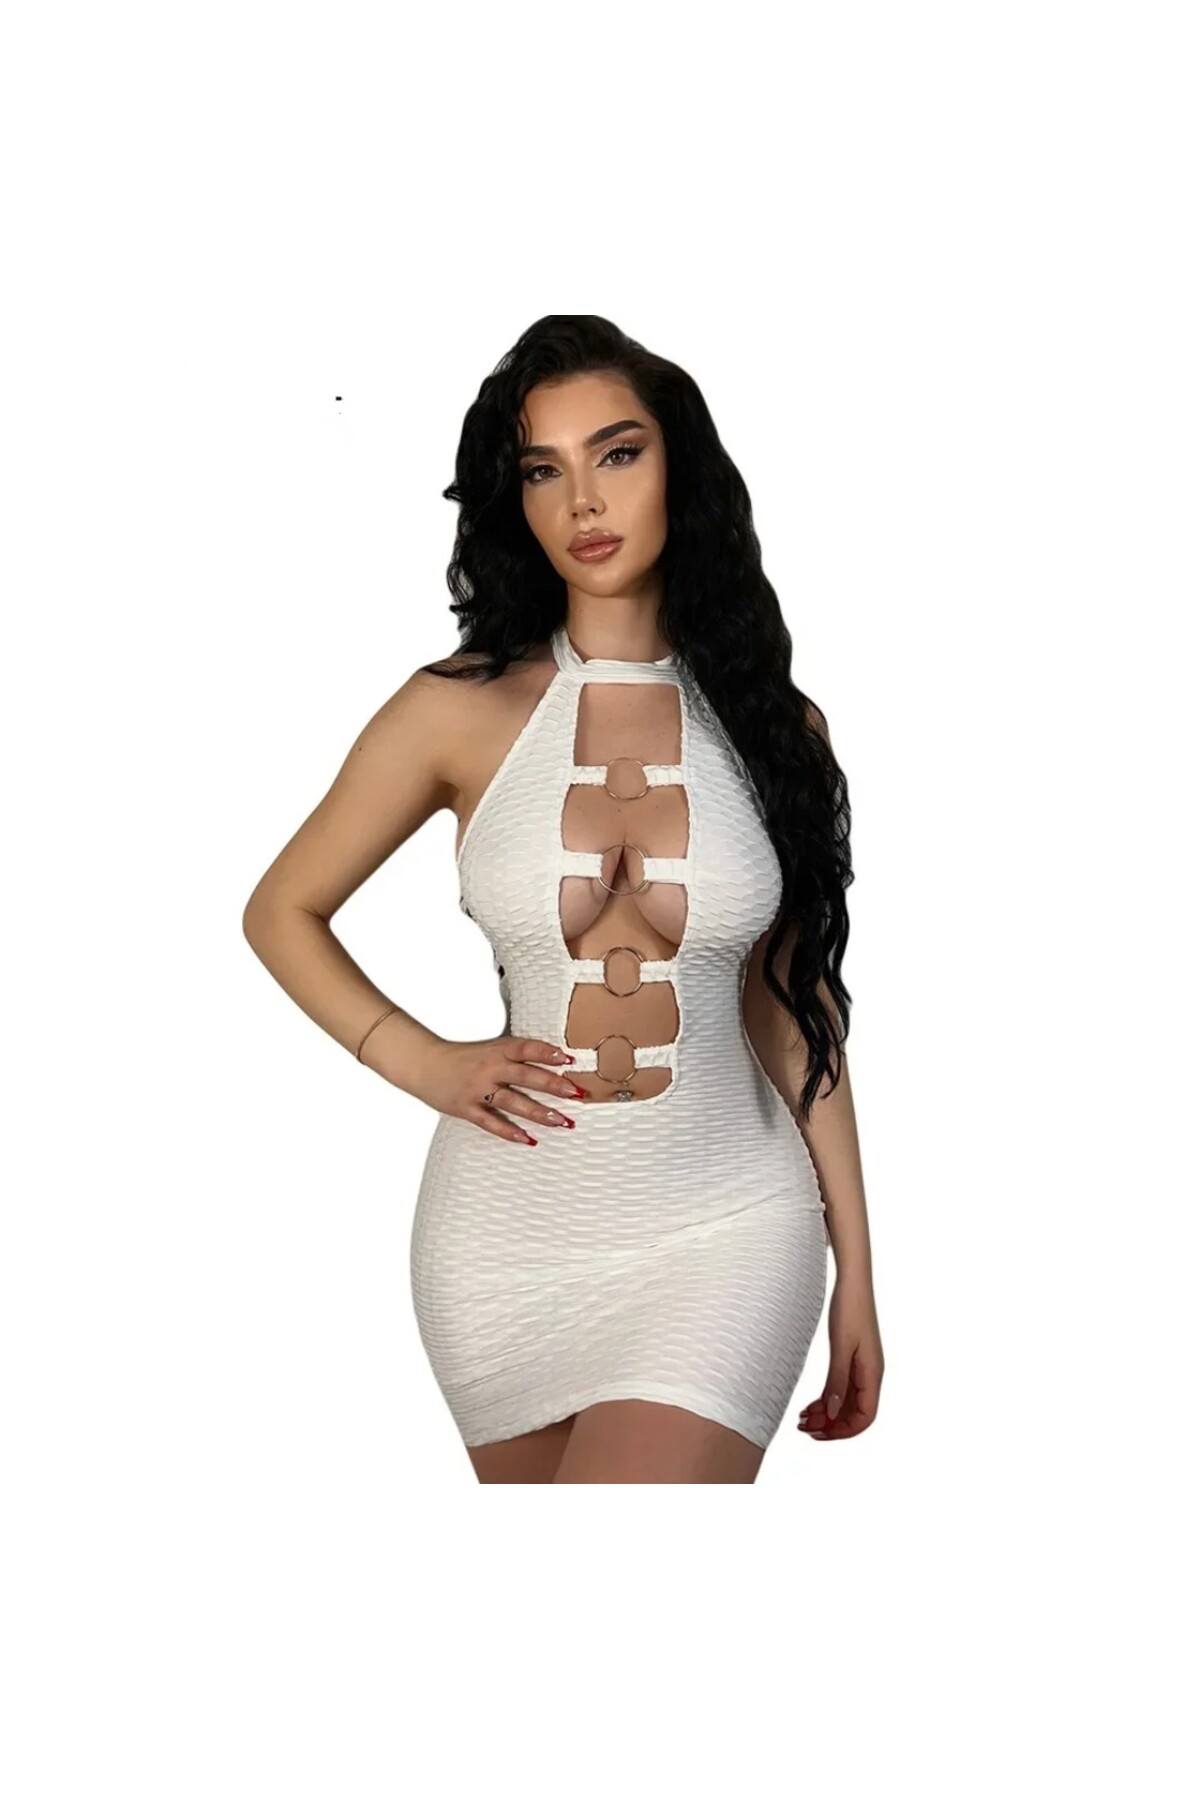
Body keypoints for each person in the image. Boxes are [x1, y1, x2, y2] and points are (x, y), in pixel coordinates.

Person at [243, 315, 884, 1484]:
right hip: (501, 1245)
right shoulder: (455, 710)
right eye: (543, 470)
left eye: (618, 454)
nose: (583, 500)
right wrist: (420, 1060)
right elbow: (281, 908)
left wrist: (860, 1272)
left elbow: (796, 1012)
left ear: (682, 468)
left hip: (728, 1227)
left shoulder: (777, 728)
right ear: (518, 501)